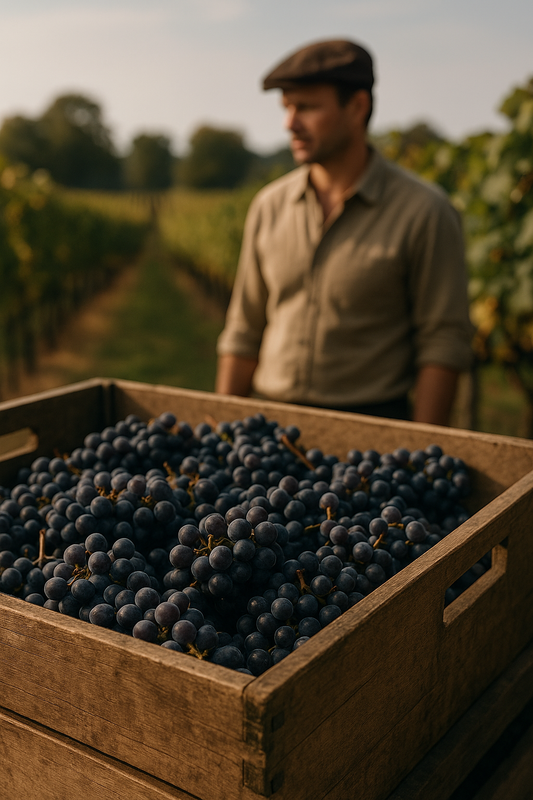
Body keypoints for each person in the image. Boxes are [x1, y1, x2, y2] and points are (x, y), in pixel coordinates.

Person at [215, 39, 473, 425]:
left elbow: (443, 344)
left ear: (357, 108)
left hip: (371, 434)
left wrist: (422, 449)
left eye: (307, 107)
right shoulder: (269, 206)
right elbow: (244, 330)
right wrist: (222, 431)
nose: (290, 123)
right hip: (270, 428)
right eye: (287, 108)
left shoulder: (425, 212)